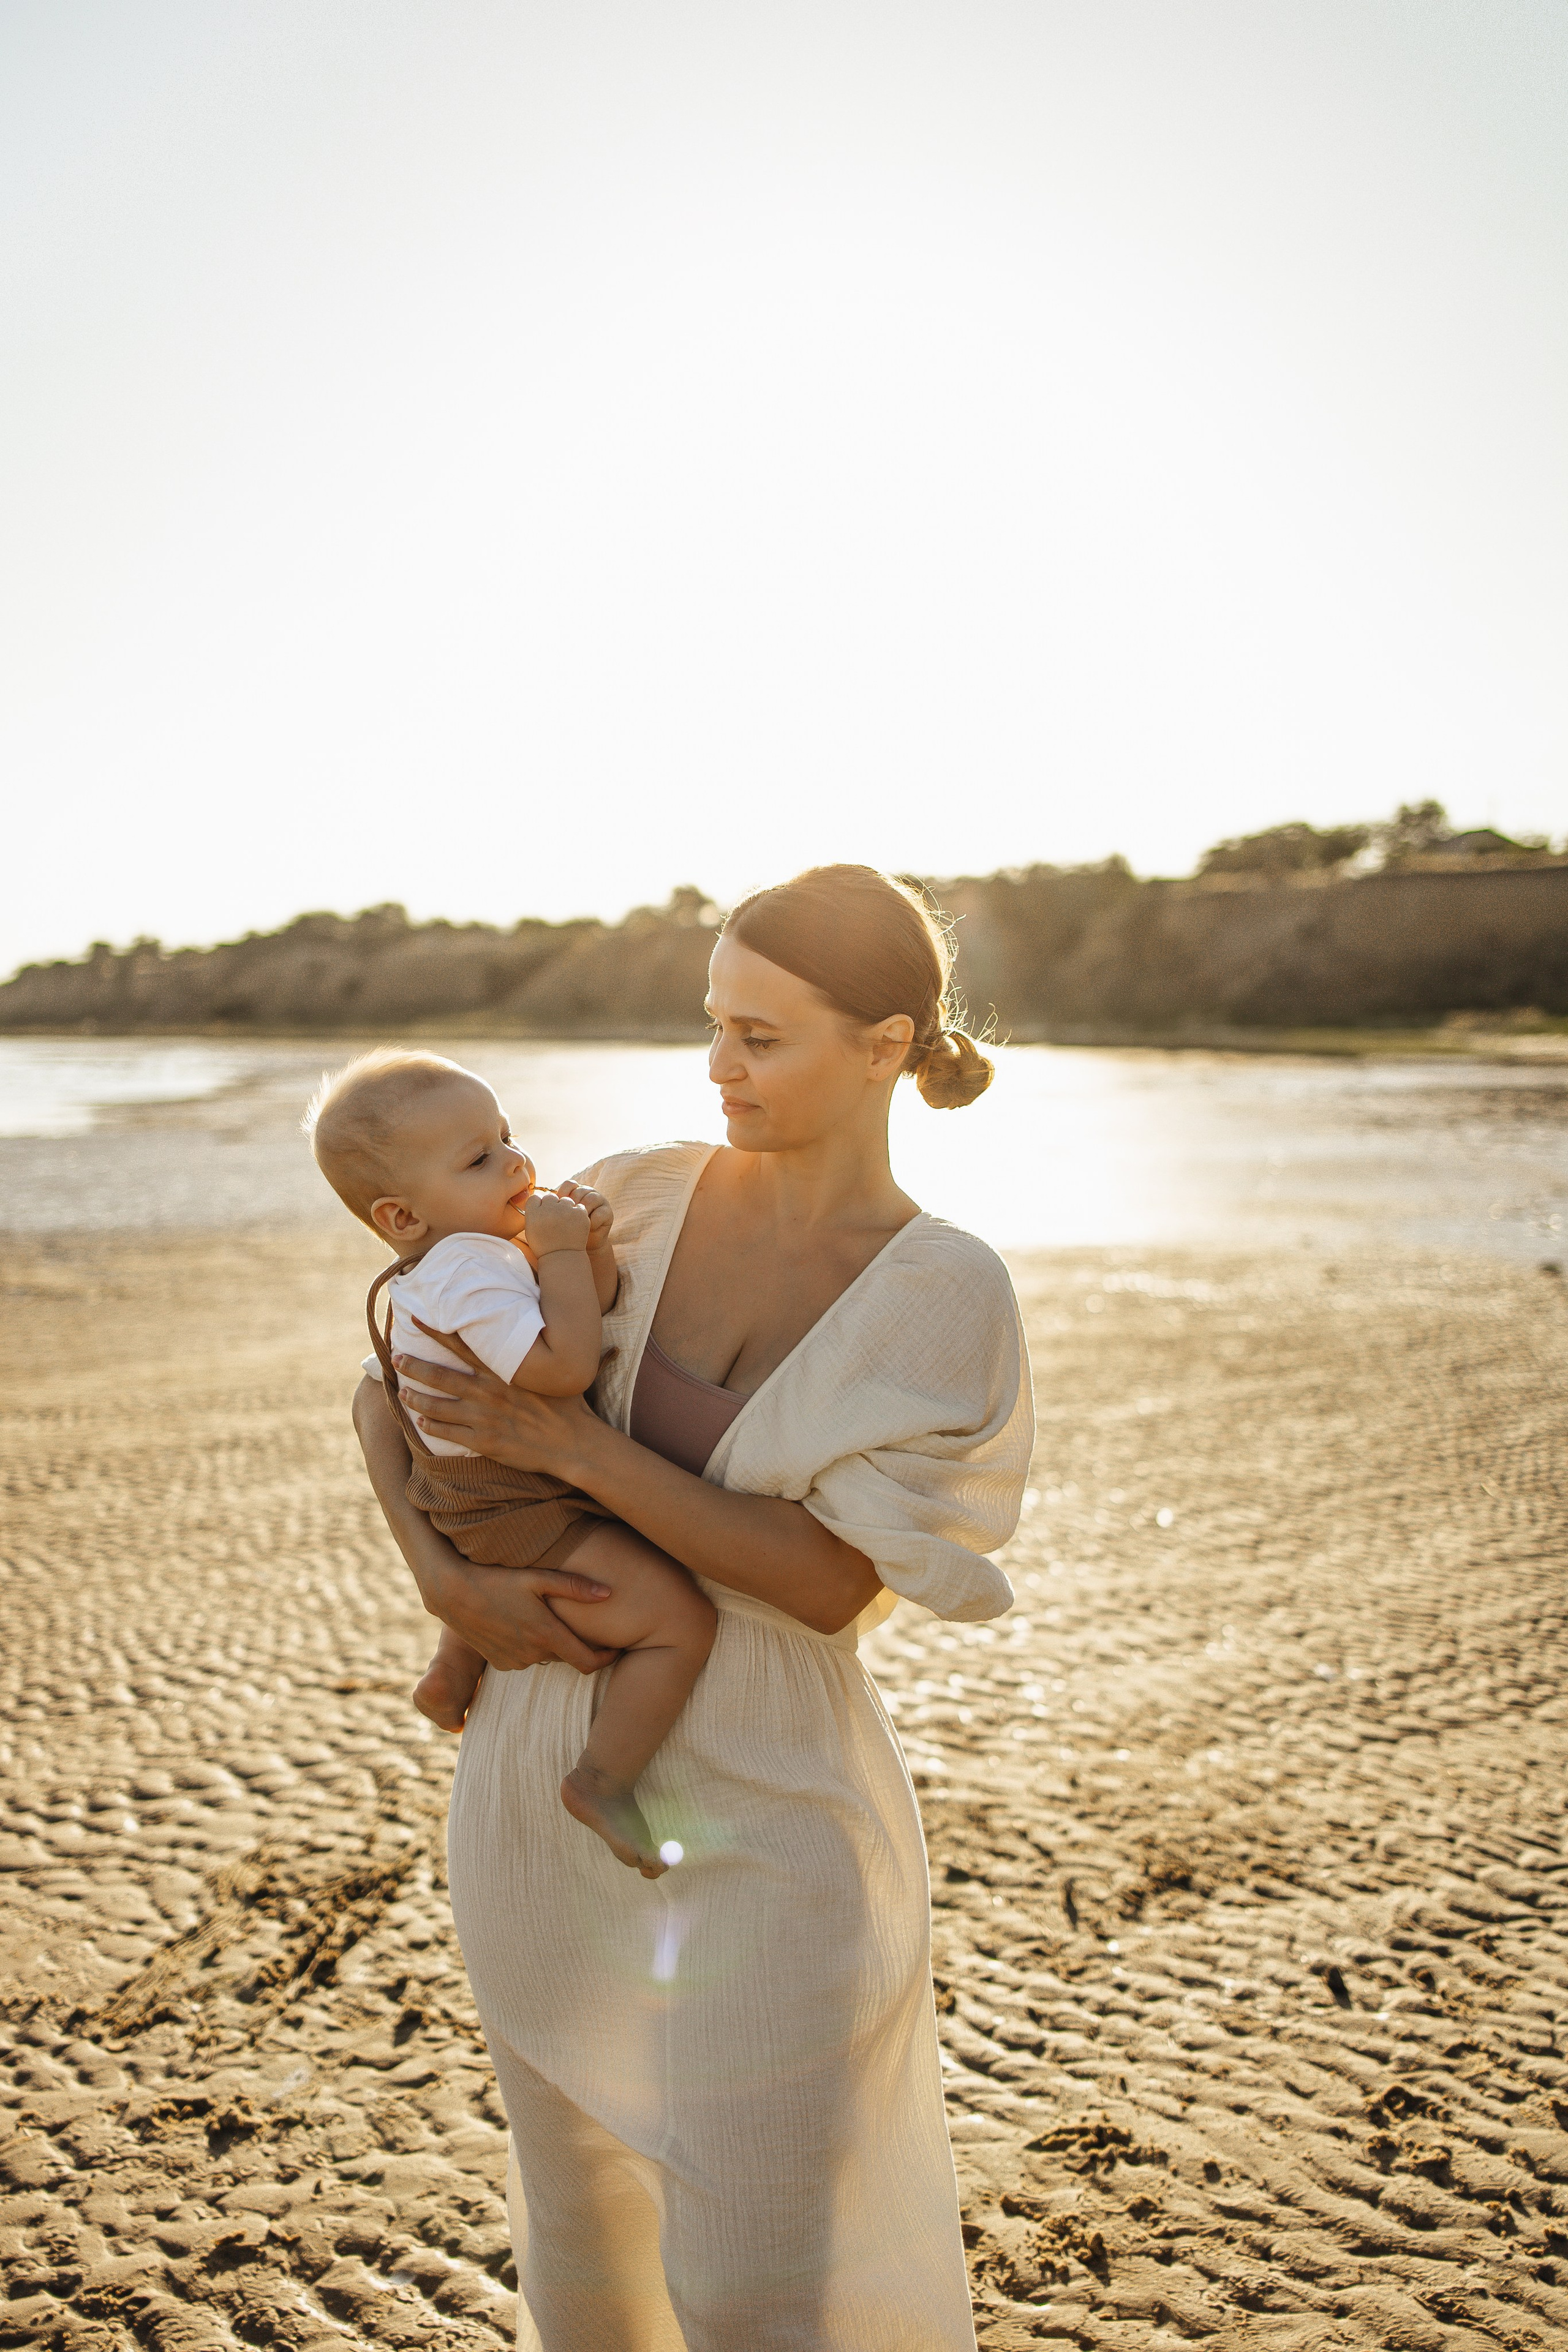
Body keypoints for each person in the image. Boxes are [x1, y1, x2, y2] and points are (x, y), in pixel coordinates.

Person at [353, 864, 1035, 2352]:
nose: (717, 1068)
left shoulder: (944, 1293)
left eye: (761, 1038)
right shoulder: (637, 1196)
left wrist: (576, 1450)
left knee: (756, 2285)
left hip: (773, 1805)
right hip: (538, 1786)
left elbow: (828, 1582)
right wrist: (441, 1578)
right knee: (585, 2246)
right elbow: (393, 1381)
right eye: (712, 1025)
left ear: (883, 1046)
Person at [307, 1047, 715, 1875]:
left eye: (508, 1136)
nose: (518, 1164)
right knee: (680, 1621)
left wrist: (584, 1252)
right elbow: (564, 1369)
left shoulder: (466, 1260)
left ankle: (453, 1669)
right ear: (402, 1219)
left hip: (480, 1489)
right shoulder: (464, 1270)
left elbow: (577, 1314)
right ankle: (602, 1779)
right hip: (509, 1503)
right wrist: (562, 1257)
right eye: (480, 1158)